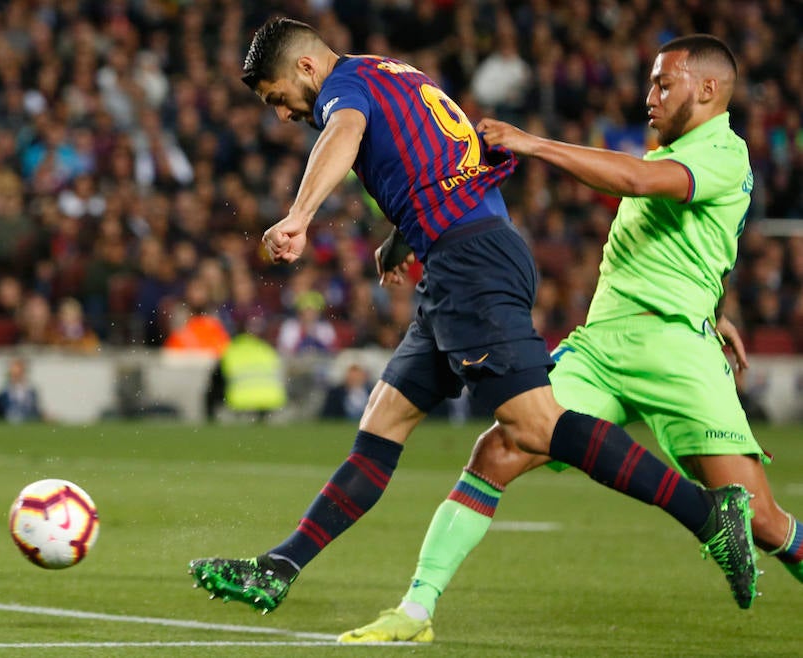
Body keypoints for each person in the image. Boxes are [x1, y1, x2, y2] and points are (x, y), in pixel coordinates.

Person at [187, 19, 757, 616]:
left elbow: (346, 131)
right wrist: (407, 234)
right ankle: (280, 567)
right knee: (381, 427)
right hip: (458, 258)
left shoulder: (342, 91)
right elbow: (451, 156)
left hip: (471, 263)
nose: (282, 115)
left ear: (306, 67)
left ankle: (707, 514)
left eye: (278, 98)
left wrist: (300, 214)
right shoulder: (387, 71)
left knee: (535, 425)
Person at [340, 34, 803, 644]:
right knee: (498, 450)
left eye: (665, 83)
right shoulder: (678, 148)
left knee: (764, 521)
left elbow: (637, 181)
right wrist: (713, 307)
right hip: (604, 345)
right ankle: (416, 610)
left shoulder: (725, 152)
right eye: (651, 82)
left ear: (710, 89)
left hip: (676, 354)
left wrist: (532, 144)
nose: (650, 96)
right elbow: (688, 247)